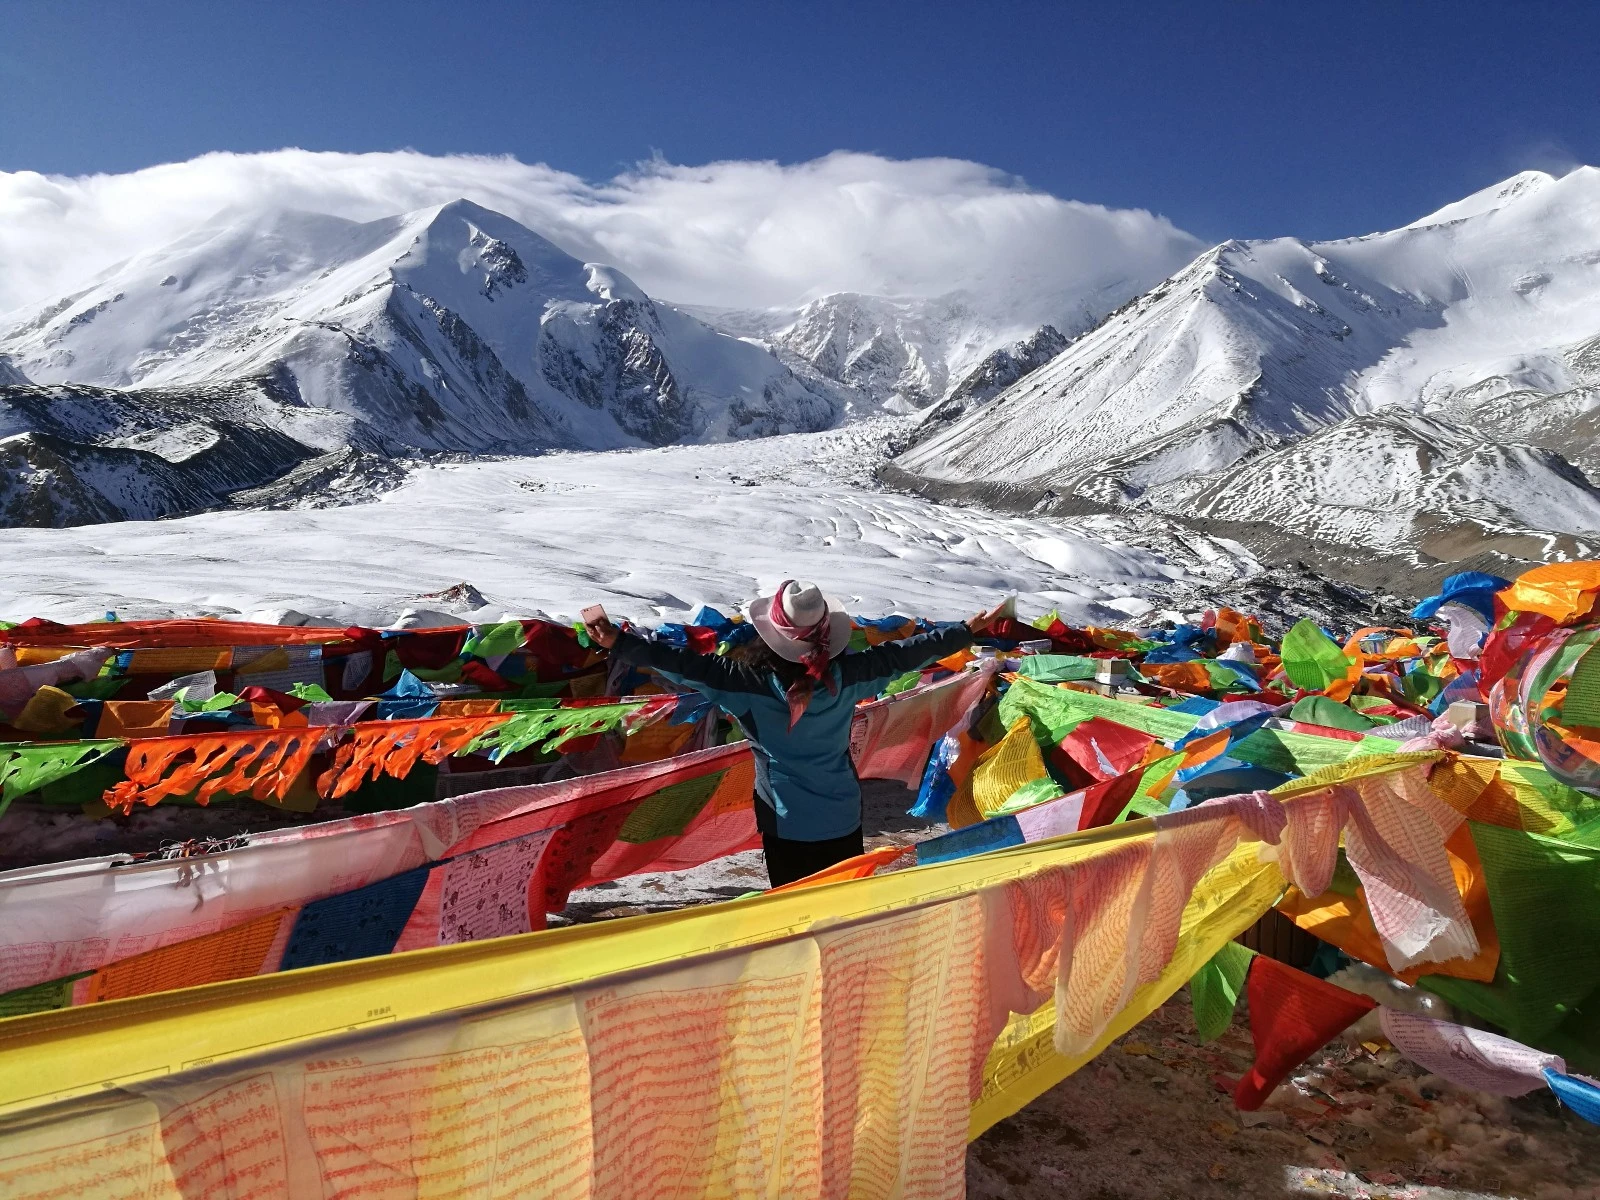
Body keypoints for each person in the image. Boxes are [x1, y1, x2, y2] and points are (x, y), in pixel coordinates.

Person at [584, 581, 1004, 887]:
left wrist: (620, 643)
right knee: (841, 904)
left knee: (793, 905)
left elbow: (683, 664)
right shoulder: (849, 675)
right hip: (841, 812)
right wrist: (964, 630)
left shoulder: (743, 683)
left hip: (785, 820)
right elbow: (903, 655)